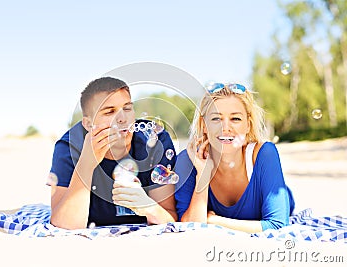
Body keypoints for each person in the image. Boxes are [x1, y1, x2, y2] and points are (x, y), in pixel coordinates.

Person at [49, 77, 177, 229]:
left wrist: (148, 207)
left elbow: (170, 217)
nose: (123, 118)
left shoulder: (155, 140)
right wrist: (86, 164)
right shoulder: (70, 146)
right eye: (110, 112)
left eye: (128, 108)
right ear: (89, 124)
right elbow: (64, 225)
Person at [174, 83, 294, 233]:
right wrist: (203, 175)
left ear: (248, 125)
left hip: (276, 193)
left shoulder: (264, 154)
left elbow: (277, 225)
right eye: (216, 119)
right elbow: (192, 225)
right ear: (204, 125)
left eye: (235, 119)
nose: (225, 127)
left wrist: (213, 220)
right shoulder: (188, 161)